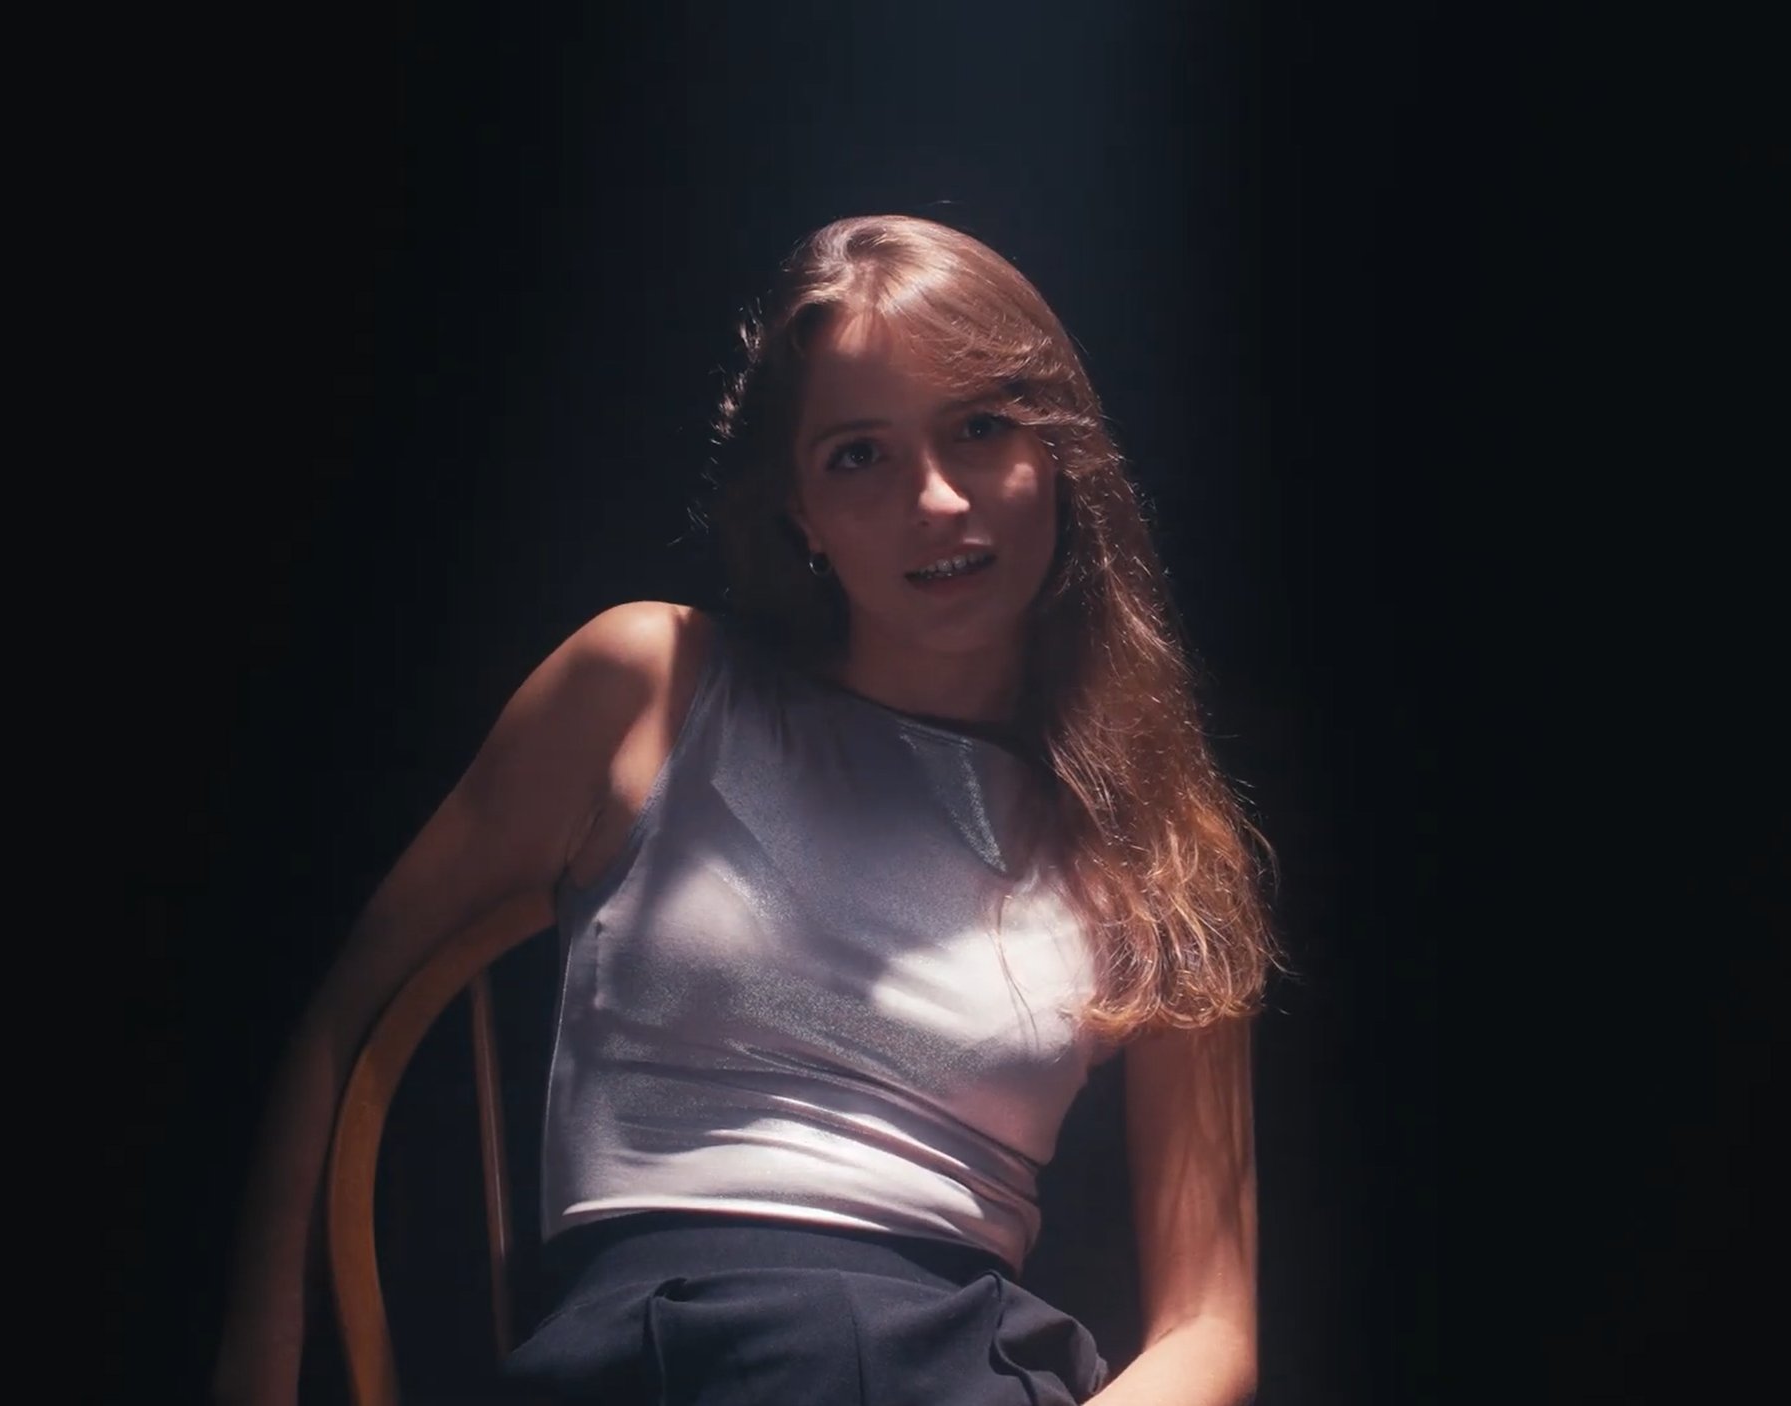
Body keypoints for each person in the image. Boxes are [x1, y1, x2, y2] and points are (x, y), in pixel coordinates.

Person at [213, 214, 1278, 1405]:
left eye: (980, 427)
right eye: (858, 455)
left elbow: (1210, 1326)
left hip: (954, 1365)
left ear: (1062, 453)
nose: (934, 499)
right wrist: (261, 1370)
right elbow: (338, 1029)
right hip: (648, 1354)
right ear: (797, 513)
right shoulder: (652, 688)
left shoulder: (1154, 845)